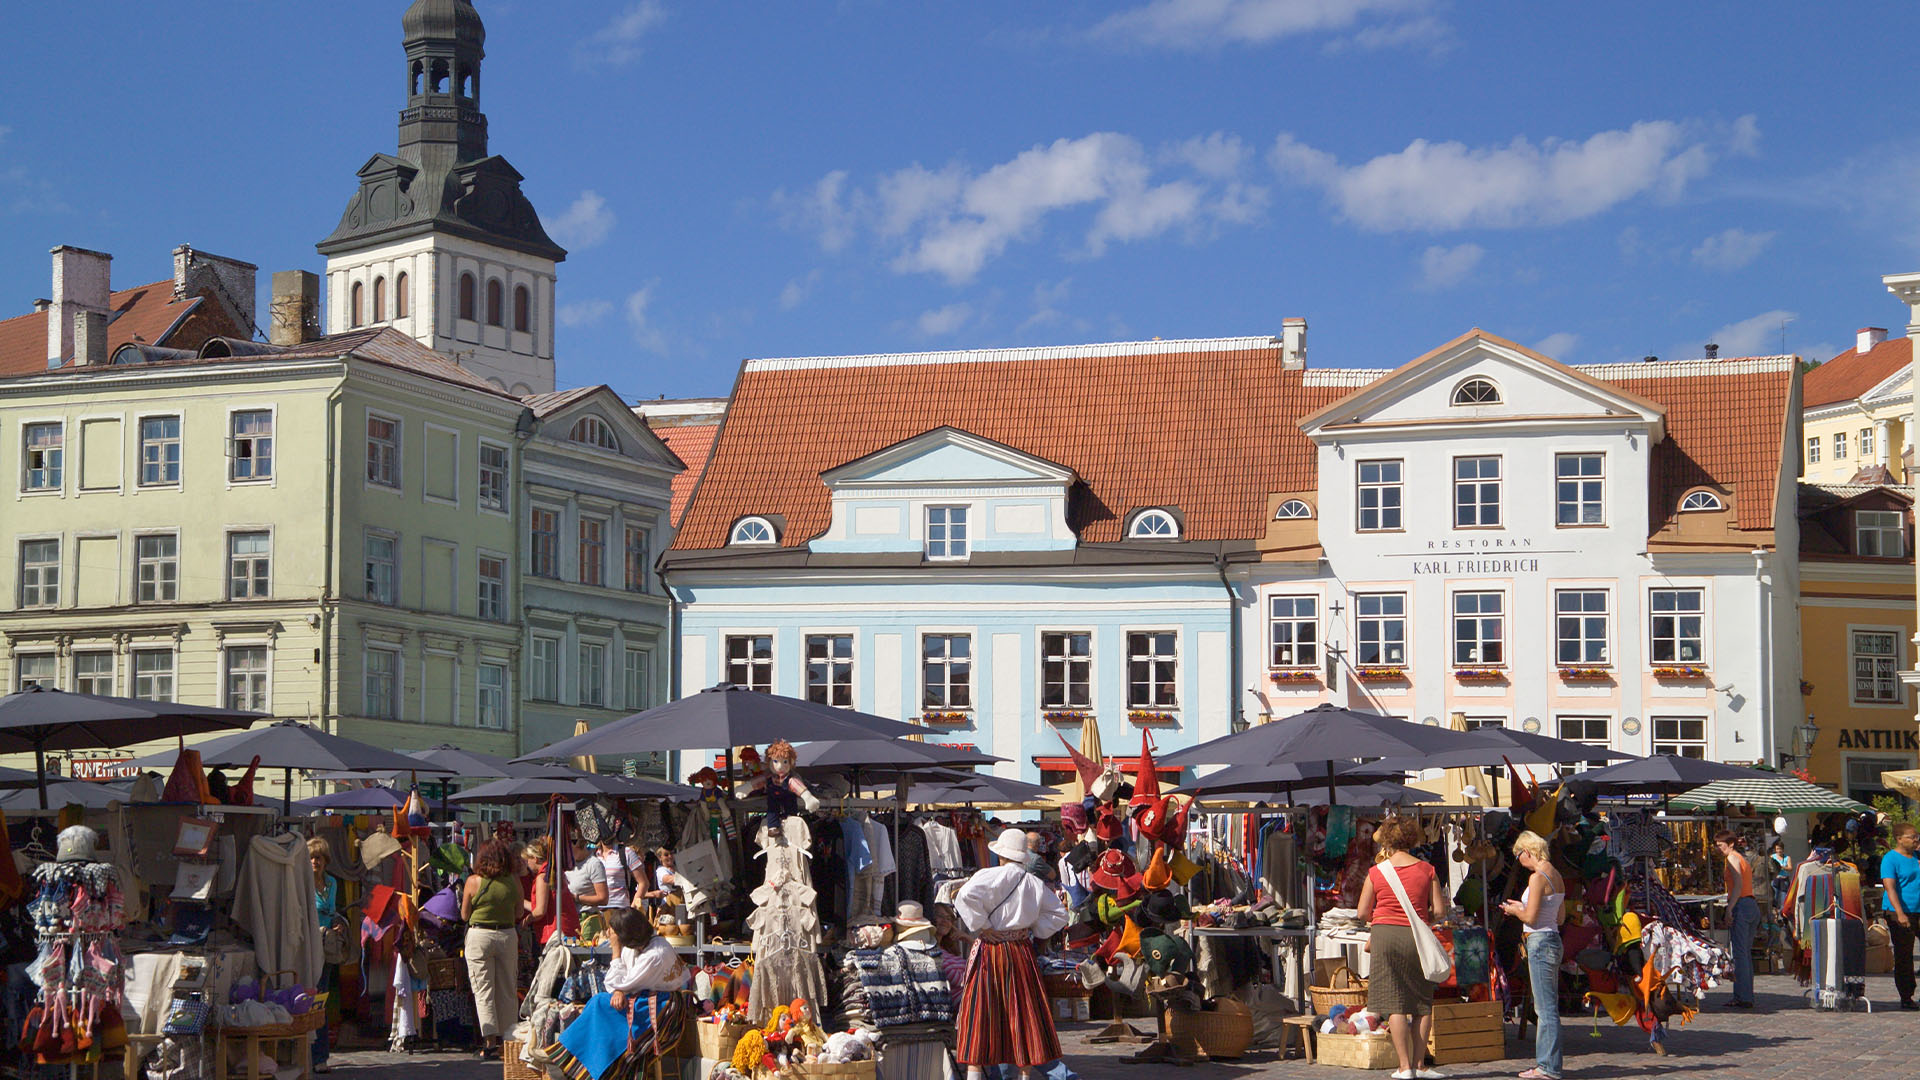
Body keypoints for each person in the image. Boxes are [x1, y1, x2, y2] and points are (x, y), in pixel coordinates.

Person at [953, 829, 1069, 1080]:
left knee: (981, 1016)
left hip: (990, 952)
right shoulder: (1034, 883)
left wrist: (983, 926)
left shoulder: (986, 875)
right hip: (1020, 953)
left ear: (1001, 854)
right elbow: (1060, 914)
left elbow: (963, 896)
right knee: (1024, 1016)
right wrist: (1033, 928)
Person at [1356, 815, 1448, 1080]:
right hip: (1416, 935)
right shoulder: (1428, 870)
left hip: (1384, 934)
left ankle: (1404, 1067)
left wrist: (1381, 918)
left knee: (1394, 1002)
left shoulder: (1376, 872)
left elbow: (1362, 911)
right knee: (1421, 1002)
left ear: (1386, 840)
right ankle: (1420, 1064)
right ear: (1413, 838)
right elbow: (1440, 910)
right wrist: (1421, 920)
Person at [552, 906, 690, 1080]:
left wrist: (615, 953)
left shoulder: (655, 954)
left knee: (601, 1004)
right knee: (600, 1004)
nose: (611, 935)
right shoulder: (637, 947)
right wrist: (620, 989)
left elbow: (620, 982)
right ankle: (573, 1057)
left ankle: (576, 1059)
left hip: (664, 1008)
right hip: (642, 997)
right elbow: (620, 982)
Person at [1499, 831, 1565, 1080]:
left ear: (1527, 851)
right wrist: (1524, 908)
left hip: (1539, 942)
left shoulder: (1537, 878)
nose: (1519, 861)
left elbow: (1530, 918)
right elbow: (1559, 917)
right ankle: (1549, 1064)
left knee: (1545, 1009)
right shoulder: (1556, 875)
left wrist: (1515, 910)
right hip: (1553, 938)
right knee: (1548, 1006)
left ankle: (1548, 1067)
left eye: (1518, 856)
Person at [462, 839, 526, 1060]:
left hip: (479, 936)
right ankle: (509, 1042)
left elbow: (464, 915)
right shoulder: (513, 881)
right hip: (507, 935)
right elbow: (519, 912)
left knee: (483, 990)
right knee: (508, 988)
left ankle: (489, 1043)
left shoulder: (472, 882)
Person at [1715, 831, 1759, 1008]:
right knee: (1745, 954)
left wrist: (1729, 909)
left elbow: (1738, 886)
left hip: (1741, 904)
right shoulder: (1741, 858)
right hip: (1750, 905)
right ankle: (1746, 995)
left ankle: (1743, 996)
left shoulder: (1732, 859)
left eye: (1720, 845)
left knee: (1740, 955)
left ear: (1730, 844)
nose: (1718, 848)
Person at [1880, 822, 1920, 1010]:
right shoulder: (1890, 859)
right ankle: (1906, 995)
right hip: (1899, 912)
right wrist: (1900, 913)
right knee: (1904, 954)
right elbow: (1890, 887)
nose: (1915, 839)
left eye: (1917, 836)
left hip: (1918, 908)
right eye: (1912, 837)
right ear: (1899, 839)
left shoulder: (1916, 857)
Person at [308, 837, 337, 1075]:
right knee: (307, 999)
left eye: (318, 857)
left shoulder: (332, 884)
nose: (315, 861)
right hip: (307, 946)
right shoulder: (302, 883)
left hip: (326, 946)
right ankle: (305, 1054)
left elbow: (332, 911)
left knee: (321, 1001)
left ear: (325, 860)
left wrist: (338, 924)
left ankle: (320, 1056)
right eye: (311, 858)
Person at [597, 838, 643, 910]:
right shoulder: (593, 854)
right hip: (597, 909)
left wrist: (633, 906)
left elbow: (643, 882)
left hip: (620, 908)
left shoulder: (626, 852)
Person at [1768, 840, 1792, 913]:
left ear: (1783, 849)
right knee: (1774, 899)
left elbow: (1790, 868)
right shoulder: (1772, 857)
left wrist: (1782, 867)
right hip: (1775, 880)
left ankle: (1782, 915)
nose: (1779, 851)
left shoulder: (1787, 858)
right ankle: (1775, 914)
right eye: (1777, 849)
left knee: (1783, 899)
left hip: (1784, 881)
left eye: (1780, 849)